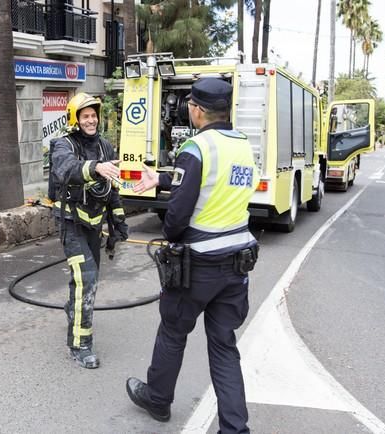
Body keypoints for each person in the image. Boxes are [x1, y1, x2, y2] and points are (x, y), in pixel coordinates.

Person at [125, 77, 259, 433]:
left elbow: (178, 215)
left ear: (197, 110)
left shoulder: (197, 148)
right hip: (237, 261)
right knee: (224, 346)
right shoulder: (244, 146)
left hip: (198, 263)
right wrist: (162, 180)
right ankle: (234, 428)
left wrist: (170, 238)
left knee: (173, 331)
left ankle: (158, 401)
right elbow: (217, 185)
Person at [49, 92, 128, 369]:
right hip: (71, 222)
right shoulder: (63, 145)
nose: (91, 120)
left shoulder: (106, 147)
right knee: (88, 277)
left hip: (94, 224)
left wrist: (118, 222)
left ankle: (74, 310)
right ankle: (81, 344)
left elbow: (112, 190)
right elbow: (66, 170)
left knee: (85, 278)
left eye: (94, 115)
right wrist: (95, 167)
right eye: (86, 116)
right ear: (75, 119)